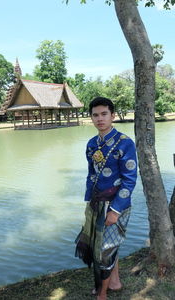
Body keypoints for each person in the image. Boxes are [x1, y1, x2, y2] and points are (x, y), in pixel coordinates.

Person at [75, 97, 137, 300]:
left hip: (116, 204)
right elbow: (91, 174)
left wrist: (116, 210)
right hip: (95, 202)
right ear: (91, 118)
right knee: (100, 245)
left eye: (104, 114)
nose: (100, 119)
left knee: (105, 249)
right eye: (95, 115)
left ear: (112, 115)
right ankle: (115, 282)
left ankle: (102, 293)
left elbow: (129, 180)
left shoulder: (125, 143)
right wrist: (88, 201)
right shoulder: (92, 144)